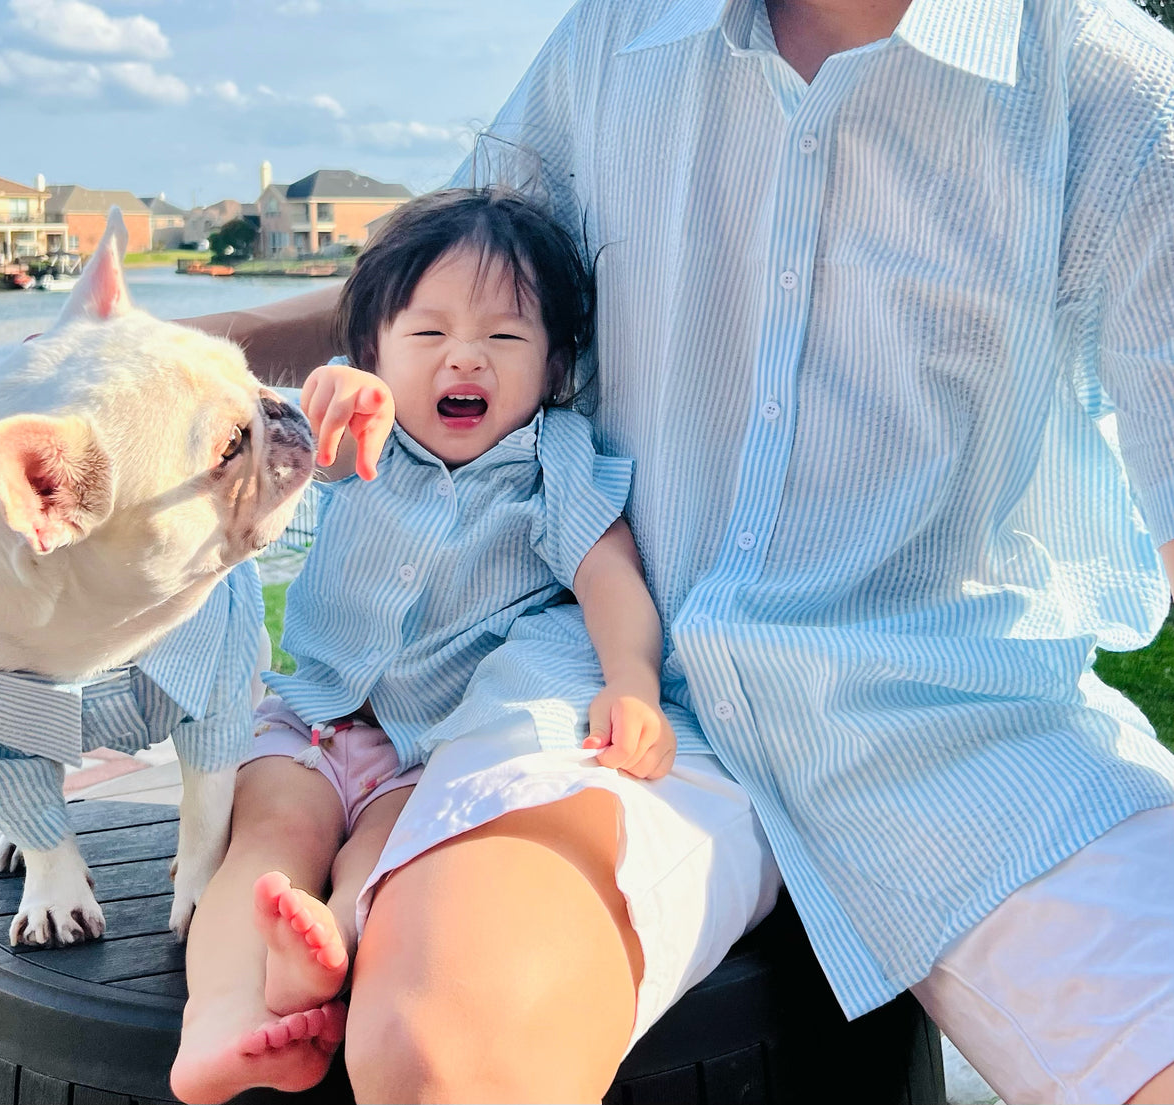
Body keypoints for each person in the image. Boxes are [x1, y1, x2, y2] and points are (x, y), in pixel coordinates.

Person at [183, 1, 1174, 1101]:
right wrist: (159, 354)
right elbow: (434, 292)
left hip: (961, 717)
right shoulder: (614, 38)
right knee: (440, 1048)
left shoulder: (1118, 93)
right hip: (617, 691)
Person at [169, 187, 687, 1104]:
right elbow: (284, 436)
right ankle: (218, 1020)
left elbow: (612, 579)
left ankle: (319, 949)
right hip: (316, 717)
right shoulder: (359, 437)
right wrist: (329, 394)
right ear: (371, 350)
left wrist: (631, 682)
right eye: (427, 335)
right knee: (263, 844)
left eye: (505, 338)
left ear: (557, 364)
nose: (464, 356)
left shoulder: (554, 461)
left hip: (431, 749)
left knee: (388, 866)